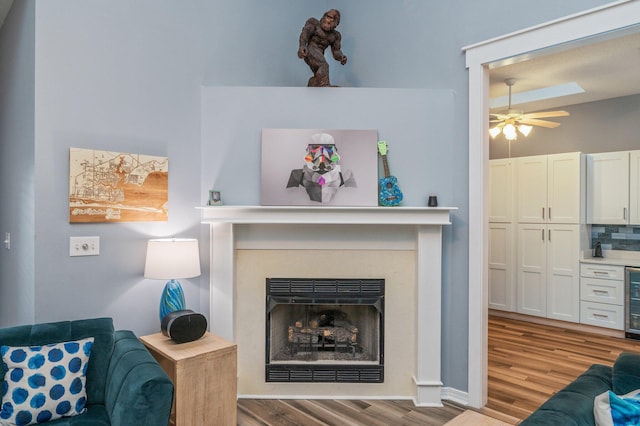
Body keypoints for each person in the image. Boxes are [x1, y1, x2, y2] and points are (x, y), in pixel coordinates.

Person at [297, 9, 347, 87]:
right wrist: (302, 46)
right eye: (328, 17)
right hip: (310, 50)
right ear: (324, 17)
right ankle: (325, 85)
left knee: (319, 76)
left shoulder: (335, 35)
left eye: (332, 19)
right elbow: (305, 34)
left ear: (336, 24)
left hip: (320, 54)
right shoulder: (314, 24)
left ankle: (312, 83)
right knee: (324, 66)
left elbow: (336, 51)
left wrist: (341, 57)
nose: (329, 20)